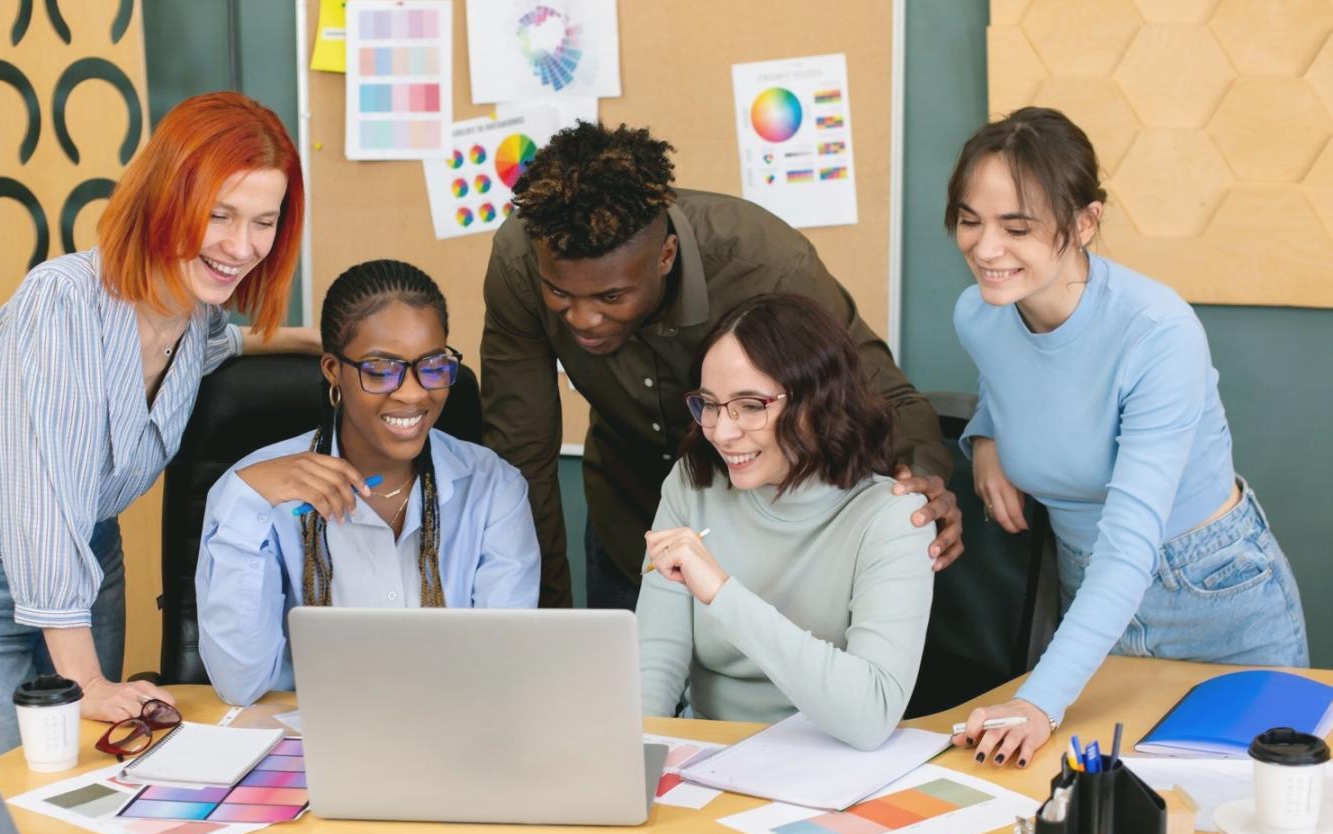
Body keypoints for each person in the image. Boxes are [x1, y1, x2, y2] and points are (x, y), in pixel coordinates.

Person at [0, 90, 315, 834]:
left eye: (263, 222)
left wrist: (314, 339)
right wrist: (84, 680)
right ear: (165, 197)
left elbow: (221, 341)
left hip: (85, 571)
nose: (240, 247)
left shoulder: (194, 313)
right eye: (219, 215)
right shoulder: (63, 303)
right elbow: (43, 496)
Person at [946, 107, 1308, 769]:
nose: (985, 248)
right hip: (1091, 593)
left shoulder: (1157, 333)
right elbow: (1016, 374)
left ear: (1085, 222)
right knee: (1100, 825)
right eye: (970, 220)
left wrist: (1040, 700)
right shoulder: (980, 314)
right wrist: (987, 432)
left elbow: (1130, 542)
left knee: (1241, 825)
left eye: (1016, 227)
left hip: (1212, 595)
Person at [480, 122, 959, 610]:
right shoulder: (522, 257)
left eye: (611, 295)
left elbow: (885, 399)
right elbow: (521, 454)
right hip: (629, 523)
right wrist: (542, 625)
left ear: (665, 256)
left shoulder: (765, 266)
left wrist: (916, 481)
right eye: (560, 293)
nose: (582, 319)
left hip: (770, 532)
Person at [197, 260, 540, 706]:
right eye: (381, 369)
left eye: (433, 365)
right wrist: (245, 502)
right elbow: (239, 683)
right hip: (306, 745)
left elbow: (502, 672)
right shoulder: (253, 491)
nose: (414, 393)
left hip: (452, 740)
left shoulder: (493, 489)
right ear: (333, 371)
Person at [637, 293, 934, 748]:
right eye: (710, 404)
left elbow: (871, 715)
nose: (721, 431)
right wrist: (632, 766)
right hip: (703, 757)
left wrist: (721, 593)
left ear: (819, 402)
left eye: (751, 405)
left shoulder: (893, 518)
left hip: (828, 763)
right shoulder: (691, 483)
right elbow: (652, 668)